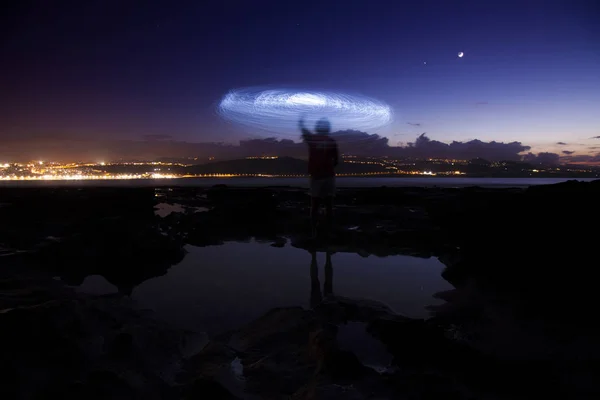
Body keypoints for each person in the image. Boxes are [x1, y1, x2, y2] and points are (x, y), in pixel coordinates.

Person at [299, 117, 339, 238]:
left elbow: (305, 132)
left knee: (315, 204)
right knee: (329, 204)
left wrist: (301, 123)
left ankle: (313, 232)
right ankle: (329, 230)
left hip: (316, 176)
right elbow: (336, 160)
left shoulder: (312, 139)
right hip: (328, 175)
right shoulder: (331, 141)